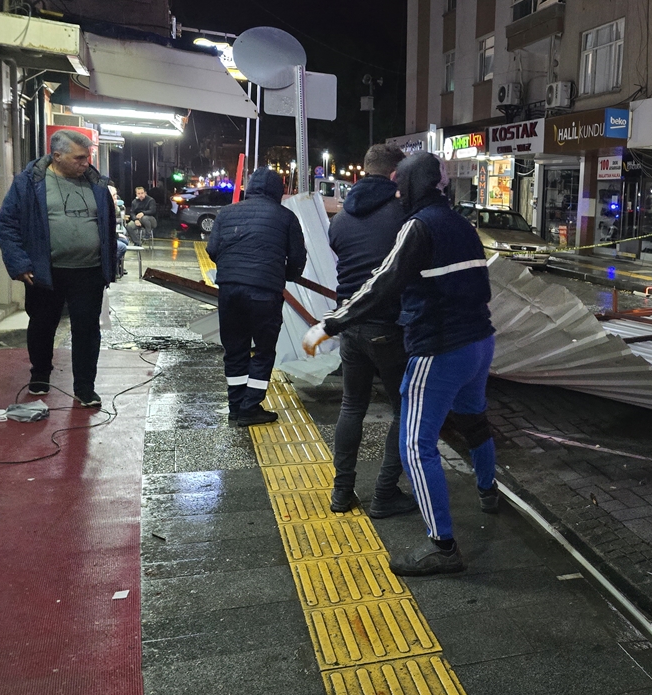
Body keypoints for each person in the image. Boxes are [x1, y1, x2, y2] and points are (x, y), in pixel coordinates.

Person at [303, 152, 497, 577]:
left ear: (408, 187)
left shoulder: (418, 226)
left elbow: (382, 283)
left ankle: (442, 547)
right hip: (480, 342)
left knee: (415, 444)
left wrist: (329, 324)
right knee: (474, 419)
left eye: (400, 186)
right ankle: (489, 491)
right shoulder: (463, 225)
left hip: (439, 347)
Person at [325, 144, 417, 520]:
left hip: (350, 326)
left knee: (352, 405)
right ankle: (384, 493)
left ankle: (341, 492)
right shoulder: (403, 214)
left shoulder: (341, 217)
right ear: (396, 174)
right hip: (389, 325)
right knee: (403, 409)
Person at [0, 129, 117, 406]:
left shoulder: (96, 184)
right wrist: (19, 264)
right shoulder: (28, 184)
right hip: (45, 271)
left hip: (89, 271)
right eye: (79, 158)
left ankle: (85, 388)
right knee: (42, 325)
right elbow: (6, 224)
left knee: (87, 330)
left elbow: (107, 226)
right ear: (57, 155)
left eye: (87, 157)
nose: (86, 163)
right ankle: (40, 375)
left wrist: (108, 267)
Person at [206, 166, 307, 427]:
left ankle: (235, 406)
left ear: (249, 188)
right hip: (265, 292)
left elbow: (213, 249)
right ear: (278, 191)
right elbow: (297, 258)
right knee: (263, 350)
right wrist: (285, 274)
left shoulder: (226, 213)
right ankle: (250, 407)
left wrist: (233, 268)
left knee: (235, 349)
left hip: (229, 291)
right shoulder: (286, 217)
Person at [102, 177, 130, 277]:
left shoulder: (116, 207)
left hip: (113, 233)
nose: (116, 199)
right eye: (113, 196)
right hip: (104, 238)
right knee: (121, 246)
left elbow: (117, 221)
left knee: (125, 240)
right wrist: (117, 235)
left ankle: (119, 266)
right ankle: (110, 268)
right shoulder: (104, 207)